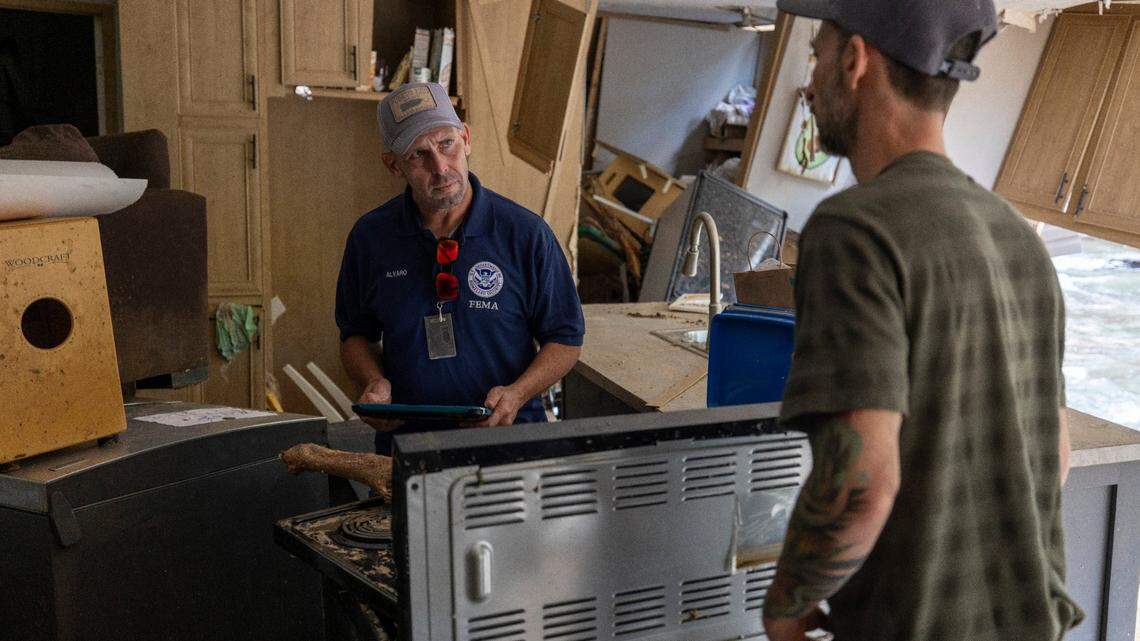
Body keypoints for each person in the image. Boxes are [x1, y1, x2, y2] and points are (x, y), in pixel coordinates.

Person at [761, 2, 1081, 641]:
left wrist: (786, 608)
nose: (809, 79)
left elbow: (861, 485)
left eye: (816, 55)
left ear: (855, 62)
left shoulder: (854, 229)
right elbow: (1058, 455)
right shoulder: (1018, 239)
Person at [336, 82, 584, 453]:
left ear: (466, 139)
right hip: (409, 448)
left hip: (511, 445)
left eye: (447, 143)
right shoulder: (371, 238)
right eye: (419, 154)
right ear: (393, 165)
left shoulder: (525, 234)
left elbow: (565, 339)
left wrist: (517, 395)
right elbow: (355, 335)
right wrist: (374, 381)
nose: (440, 167)